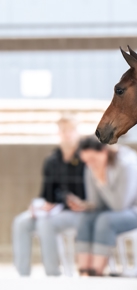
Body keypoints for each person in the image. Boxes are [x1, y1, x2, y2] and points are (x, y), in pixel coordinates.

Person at [68, 137, 137, 276]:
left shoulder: (127, 166)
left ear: (104, 151)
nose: (90, 164)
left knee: (105, 220)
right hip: (114, 212)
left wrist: (101, 182)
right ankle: (84, 271)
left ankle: (96, 272)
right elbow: (97, 203)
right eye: (86, 161)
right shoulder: (90, 168)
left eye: (93, 159)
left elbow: (119, 205)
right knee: (86, 218)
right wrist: (83, 205)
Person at [12, 115, 86, 276]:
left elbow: (87, 193)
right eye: (63, 130)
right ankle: (22, 274)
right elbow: (46, 194)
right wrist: (38, 205)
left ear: (77, 132)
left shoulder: (85, 158)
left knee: (45, 224)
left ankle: (52, 274)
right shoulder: (52, 160)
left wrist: (63, 203)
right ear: (58, 133)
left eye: (71, 130)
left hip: (78, 211)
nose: (67, 134)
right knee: (21, 222)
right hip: (54, 210)